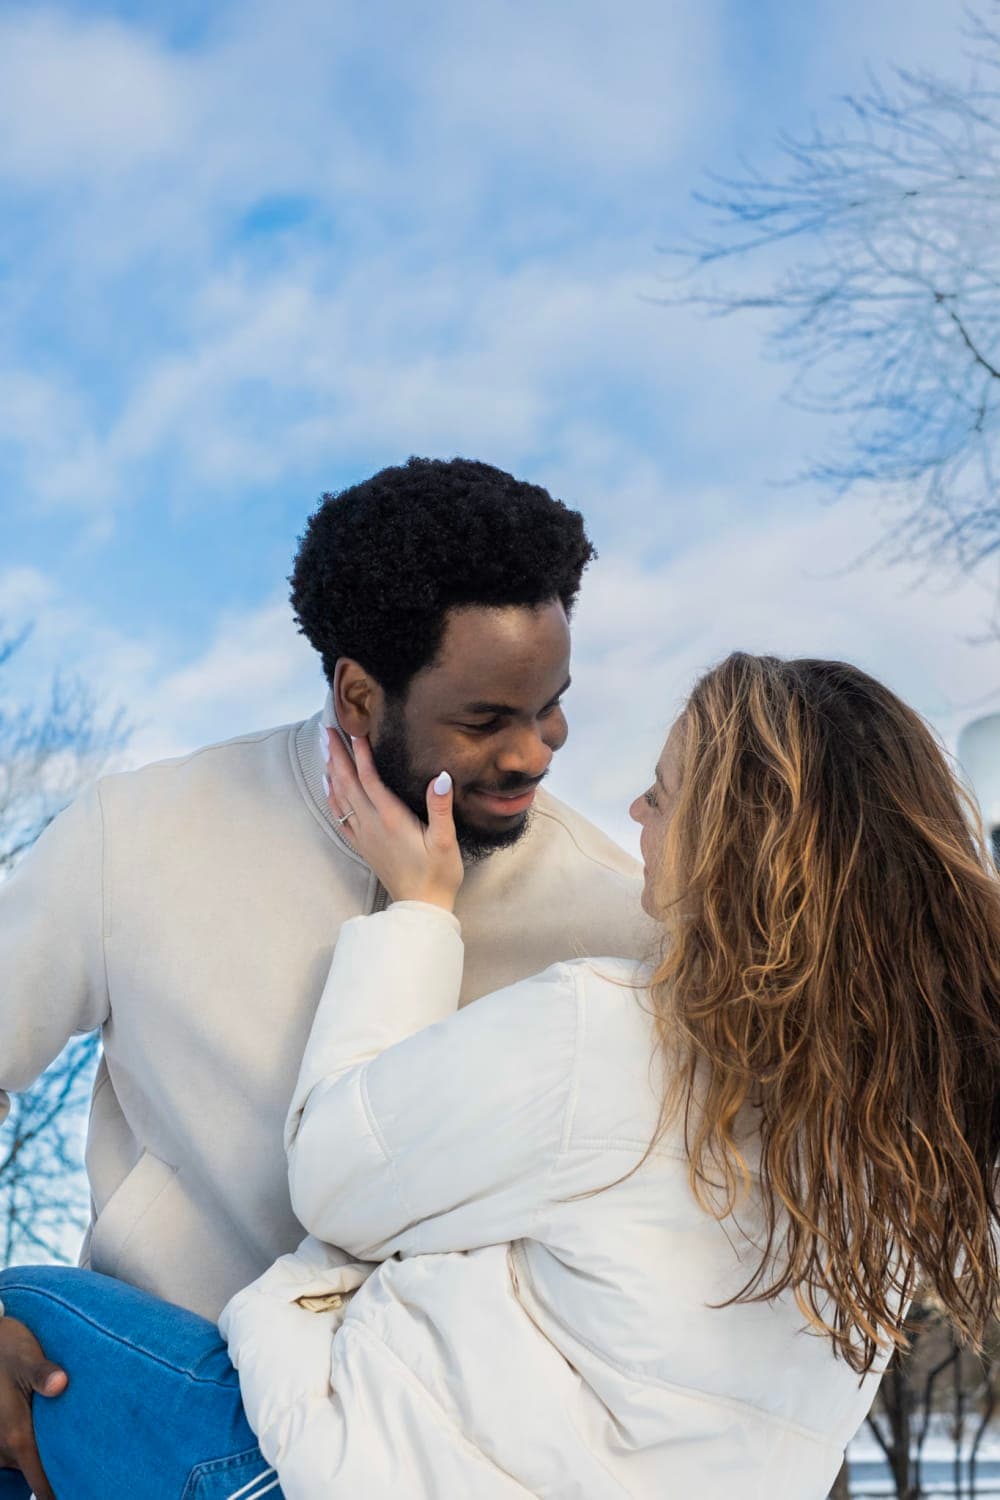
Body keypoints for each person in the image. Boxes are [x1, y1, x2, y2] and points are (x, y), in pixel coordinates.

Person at [5, 652, 999, 1500]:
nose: (633, 806)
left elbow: (336, 1176)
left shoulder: (611, 1025)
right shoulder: (890, 1128)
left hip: (313, 1468)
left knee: (24, 1326)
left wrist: (420, 911)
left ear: (734, 840)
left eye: (667, 789)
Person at [0, 458, 650, 1499]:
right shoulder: (139, 836)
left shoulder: (618, 919)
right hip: (164, 1430)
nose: (534, 754)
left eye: (553, 707)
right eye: (485, 720)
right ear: (358, 691)